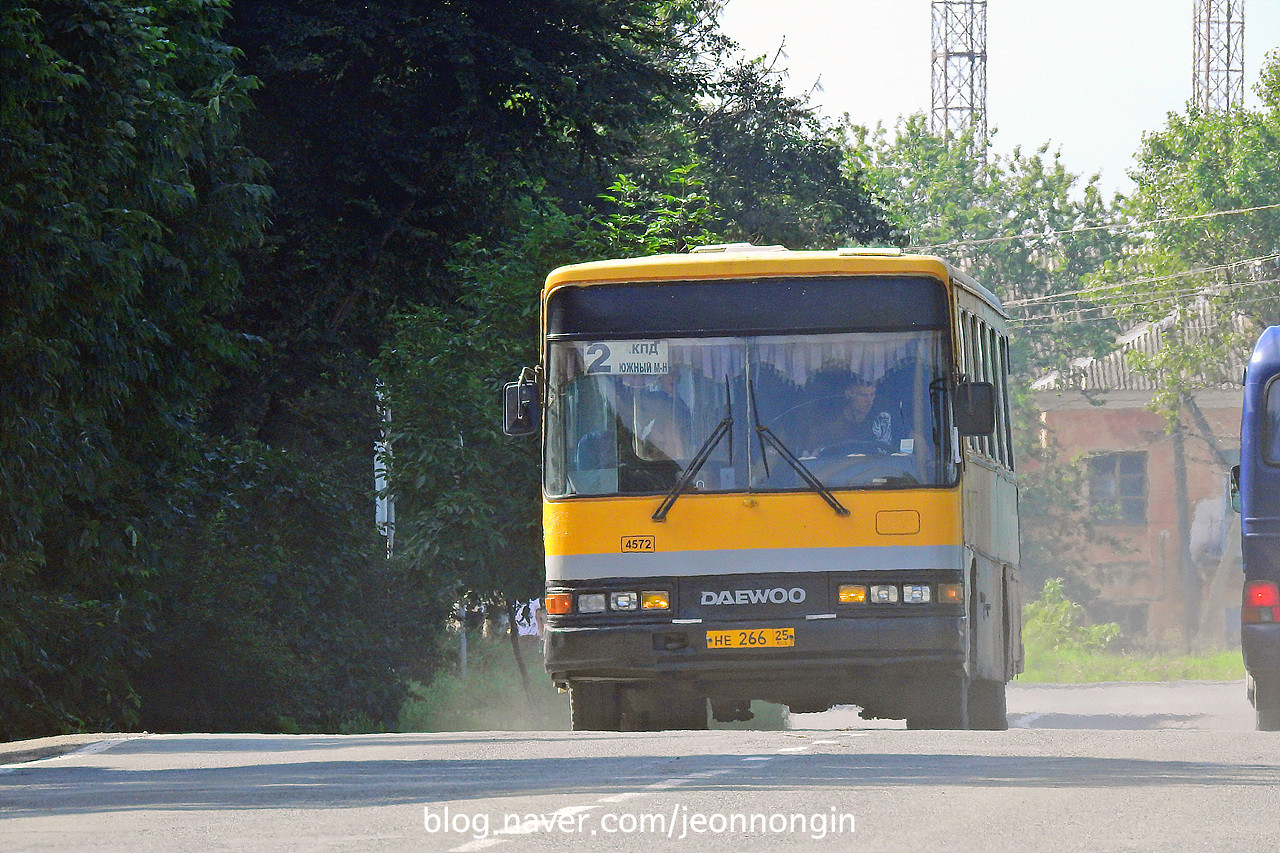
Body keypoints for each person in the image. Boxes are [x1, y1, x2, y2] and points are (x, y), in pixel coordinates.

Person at [799, 374, 893, 455]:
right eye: (863, 395)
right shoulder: (831, 423)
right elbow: (814, 454)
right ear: (848, 394)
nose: (869, 401)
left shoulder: (882, 419)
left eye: (872, 395)